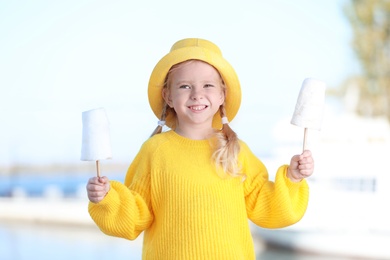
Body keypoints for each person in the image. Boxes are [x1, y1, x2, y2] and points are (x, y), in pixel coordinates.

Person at [86, 38, 314, 260]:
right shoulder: (155, 151)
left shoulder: (236, 151)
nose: (197, 94)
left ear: (222, 94)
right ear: (168, 96)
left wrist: (293, 177)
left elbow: (268, 207)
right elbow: (136, 215)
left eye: (208, 85)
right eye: (185, 86)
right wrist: (107, 198)